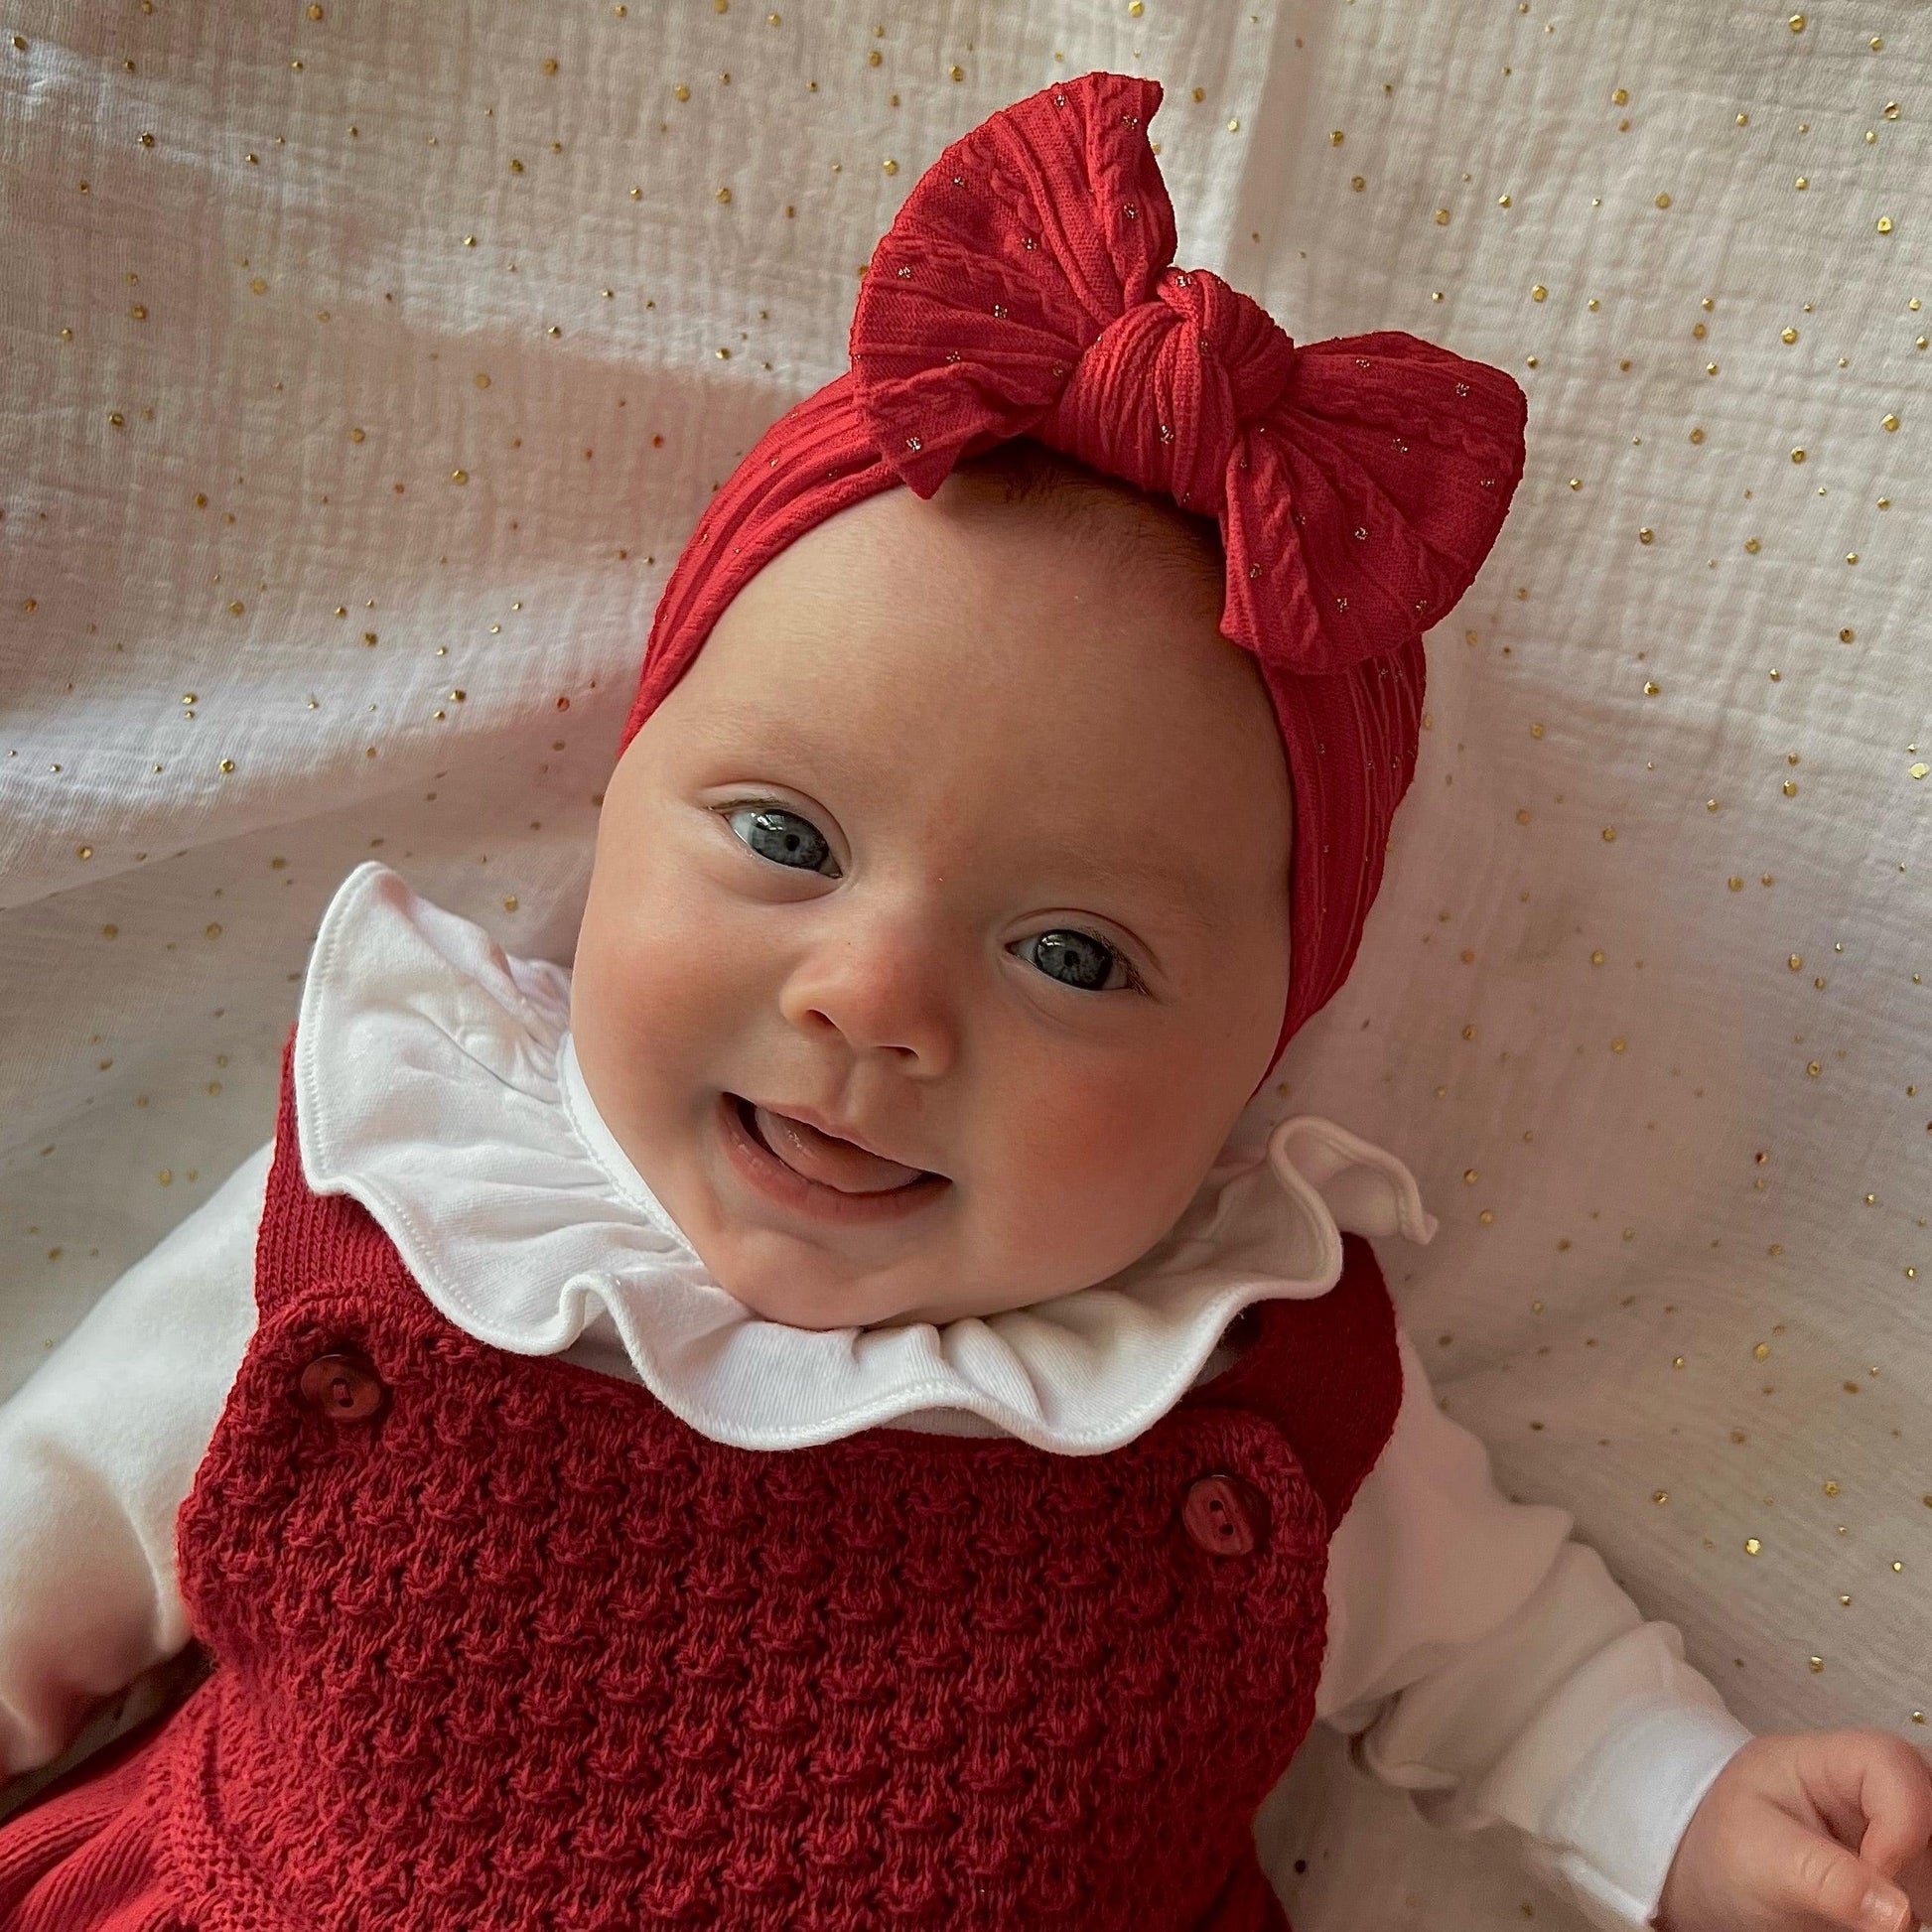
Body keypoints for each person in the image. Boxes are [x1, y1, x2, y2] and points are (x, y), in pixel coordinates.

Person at [1, 69, 1927, 1932]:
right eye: (781, 833)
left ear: (1259, 1053)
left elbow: (1513, 1665)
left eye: (1073, 955)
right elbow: (54, 1524)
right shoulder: (408, 1188)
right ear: (619, 797)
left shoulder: (1229, 1369)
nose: (872, 998)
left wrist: (1692, 1803)